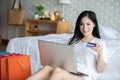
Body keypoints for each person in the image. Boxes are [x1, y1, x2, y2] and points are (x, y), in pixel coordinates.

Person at [26, 10, 108, 80]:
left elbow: (101, 70)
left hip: (86, 77)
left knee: (58, 71)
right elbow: (64, 60)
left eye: (88, 24)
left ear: (94, 24)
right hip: (70, 71)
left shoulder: (99, 43)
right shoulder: (73, 41)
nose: (84, 28)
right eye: (81, 24)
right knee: (47, 68)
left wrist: (100, 54)